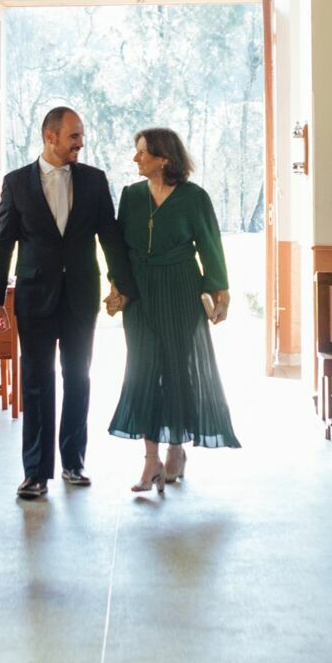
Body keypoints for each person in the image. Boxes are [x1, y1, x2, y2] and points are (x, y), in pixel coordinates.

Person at [0, 105, 133, 501]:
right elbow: (3, 244)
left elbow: (110, 236)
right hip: (34, 298)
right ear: (50, 137)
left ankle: (74, 462)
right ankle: (35, 473)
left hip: (81, 297)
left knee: (78, 378)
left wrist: (120, 284)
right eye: (74, 136)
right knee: (36, 382)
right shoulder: (16, 183)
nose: (80, 143)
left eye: (81, 135)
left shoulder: (94, 180)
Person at [107, 128, 240, 493]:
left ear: (164, 159)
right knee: (143, 371)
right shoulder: (131, 195)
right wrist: (117, 287)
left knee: (177, 371)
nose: (136, 158)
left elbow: (210, 246)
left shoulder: (194, 198)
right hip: (141, 293)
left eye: (142, 152)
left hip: (181, 289)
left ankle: (175, 449)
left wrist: (220, 294)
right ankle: (150, 459)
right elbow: (119, 249)